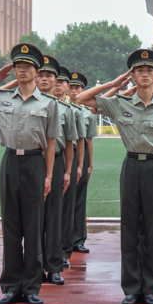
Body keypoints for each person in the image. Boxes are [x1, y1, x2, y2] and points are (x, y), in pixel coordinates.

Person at [0, 43, 61, 304]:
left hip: (35, 163)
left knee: (33, 227)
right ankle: (11, 287)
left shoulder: (49, 103)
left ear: (37, 71)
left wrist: (49, 176)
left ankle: (31, 287)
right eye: (18, 66)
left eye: (27, 66)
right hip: (10, 162)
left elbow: (51, 142)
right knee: (11, 227)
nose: (22, 70)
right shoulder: (0, 98)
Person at [76, 49, 153, 304]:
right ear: (132, 75)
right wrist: (114, 84)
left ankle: (150, 286)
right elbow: (81, 98)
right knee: (130, 228)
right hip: (131, 166)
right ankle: (131, 287)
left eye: (150, 70)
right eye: (139, 70)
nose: (145, 74)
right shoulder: (119, 104)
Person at [56, 66, 86, 270]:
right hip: (43, 157)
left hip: (67, 156)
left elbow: (80, 140)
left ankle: (64, 248)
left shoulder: (73, 111)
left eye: (61, 82)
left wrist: (80, 165)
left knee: (67, 206)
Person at [67, 71, 97, 256]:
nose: (74, 90)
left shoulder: (88, 112)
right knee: (63, 198)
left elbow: (89, 140)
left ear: (83, 90)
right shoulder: (59, 107)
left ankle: (78, 239)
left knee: (79, 197)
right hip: (64, 154)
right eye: (71, 87)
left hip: (81, 155)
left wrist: (90, 163)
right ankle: (62, 238)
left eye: (77, 87)